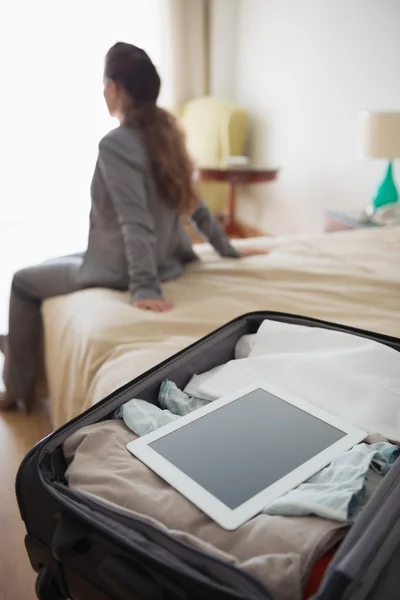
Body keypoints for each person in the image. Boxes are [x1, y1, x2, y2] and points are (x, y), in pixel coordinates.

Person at [0, 42, 265, 411]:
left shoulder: (116, 144)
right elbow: (195, 204)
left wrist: (143, 288)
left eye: (106, 82)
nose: (104, 91)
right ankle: (19, 347)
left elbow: (134, 219)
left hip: (122, 268)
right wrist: (227, 249)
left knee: (23, 282)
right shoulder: (167, 134)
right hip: (166, 258)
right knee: (49, 264)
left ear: (117, 88)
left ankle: (15, 390)